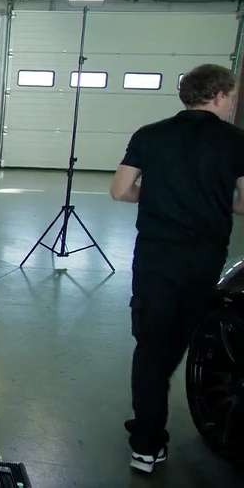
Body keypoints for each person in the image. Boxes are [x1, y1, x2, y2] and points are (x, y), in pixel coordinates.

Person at [110, 63, 244, 474]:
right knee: (179, 342)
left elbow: (120, 189)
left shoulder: (149, 135)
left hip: (155, 257)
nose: (232, 103)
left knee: (150, 347)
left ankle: (146, 442)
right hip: (204, 259)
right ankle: (150, 423)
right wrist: (215, 198)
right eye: (231, 96)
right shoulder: (236, 141)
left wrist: (155, 195)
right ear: (219, 95)